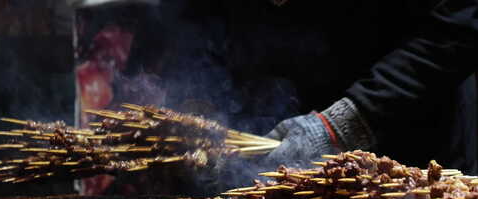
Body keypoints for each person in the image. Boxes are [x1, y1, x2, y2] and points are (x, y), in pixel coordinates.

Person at [159, 0, 478, 181]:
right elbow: (196, 19)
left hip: (410, 134)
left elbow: (464, 16)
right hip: (286, 136)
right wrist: (201, 112)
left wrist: (348, 122)